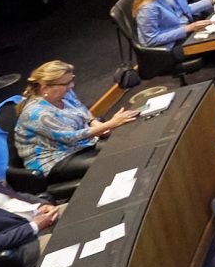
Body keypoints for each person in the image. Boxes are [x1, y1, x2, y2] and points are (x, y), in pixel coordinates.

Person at [13, 60, 136, 188]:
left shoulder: (63, 93)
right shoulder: (36, 113)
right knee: (112, 162)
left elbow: (80, 109)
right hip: (55, 160)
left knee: (123, 148)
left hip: (78, 146)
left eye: (71, 80)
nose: (71, 86)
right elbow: (69, 137)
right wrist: (110, 124)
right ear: (45, 88)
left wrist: (93, 122)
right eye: (66, 83)